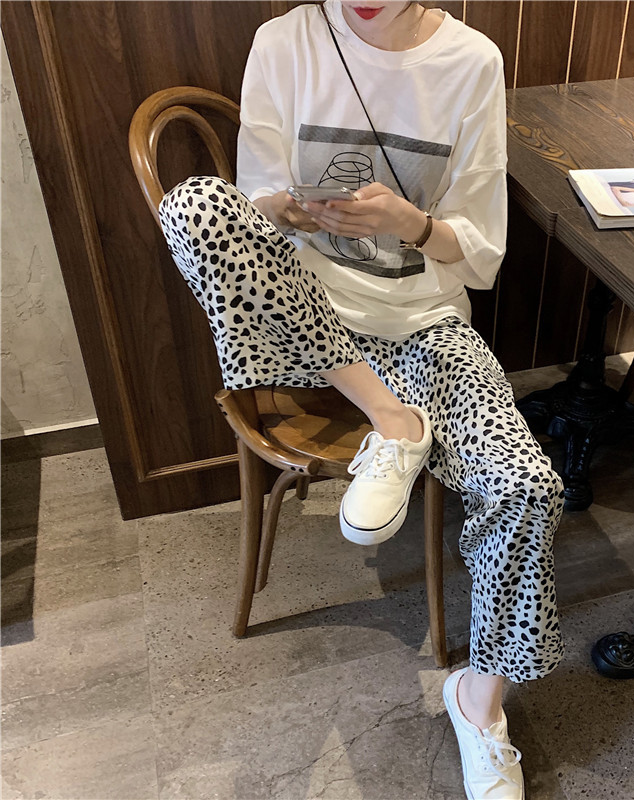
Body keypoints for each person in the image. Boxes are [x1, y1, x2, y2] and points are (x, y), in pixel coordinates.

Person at [159, 2, 564, 797]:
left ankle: (478, 703)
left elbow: (480, 257)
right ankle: (393, 419)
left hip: (422, 324)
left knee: (526, 486)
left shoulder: (471, 62)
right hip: (300, 326)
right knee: (195, 203)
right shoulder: (284, 42)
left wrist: (409, 221)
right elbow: (246, 210)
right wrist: (287, 207)